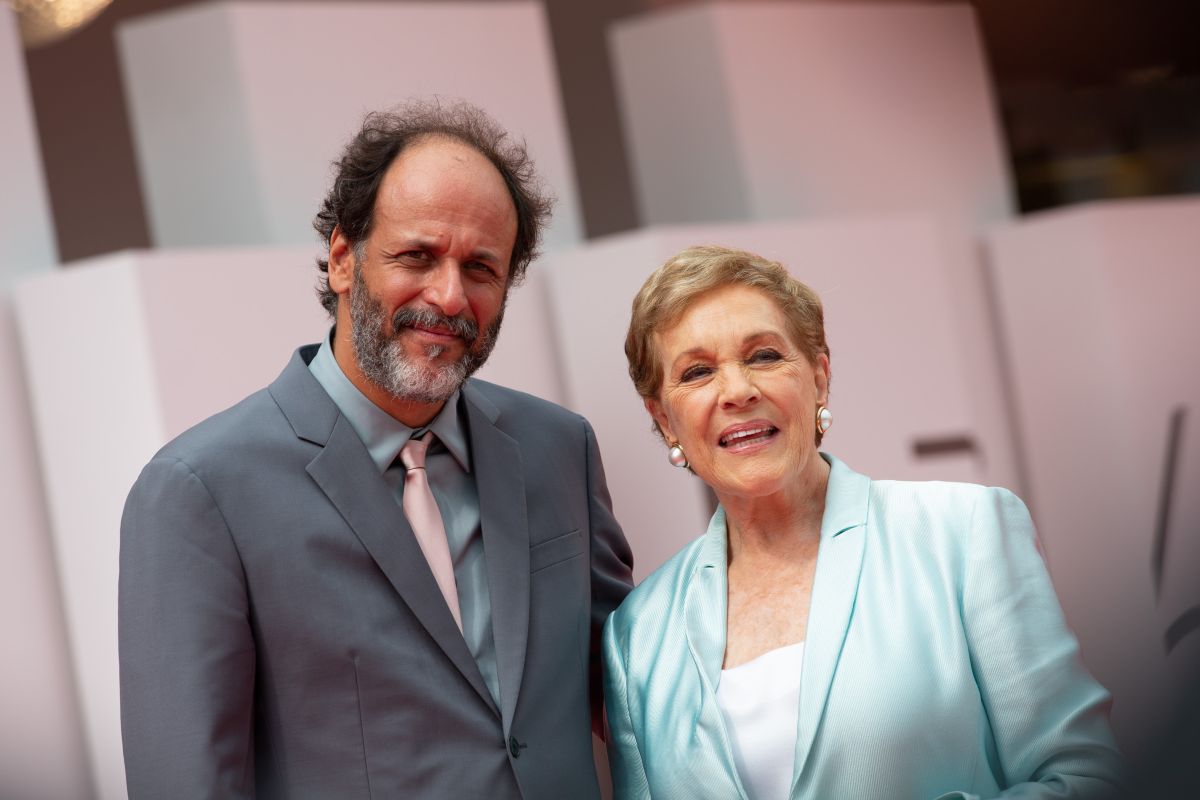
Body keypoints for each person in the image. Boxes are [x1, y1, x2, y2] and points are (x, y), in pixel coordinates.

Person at [119, 100, 634, 799]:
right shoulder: (200, 491)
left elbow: (633, 692)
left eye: (481, 268)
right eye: (417, 256)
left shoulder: (557, 448)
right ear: (342, 259)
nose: (450, 297)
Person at [603, 245, 1123, 799]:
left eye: (763, 357)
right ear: (664, 418)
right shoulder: (637, 637)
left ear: (820, 377)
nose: (738, 391)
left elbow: (1087, 778)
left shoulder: (963, 532)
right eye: (698, 372)